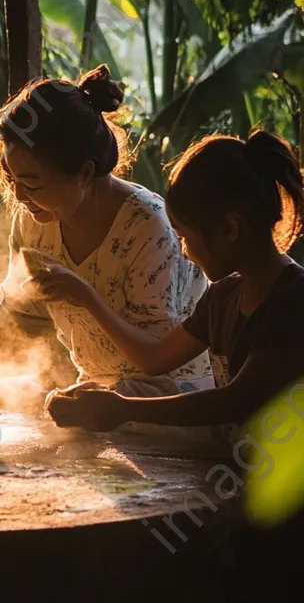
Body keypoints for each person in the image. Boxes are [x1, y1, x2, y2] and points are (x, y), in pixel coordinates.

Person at [0, 65, 211, 411]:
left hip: (169, 401)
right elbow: (15, 326)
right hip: (95, 399)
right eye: (11, 182)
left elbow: (155, 359)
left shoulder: (147, 226)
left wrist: (83, 295)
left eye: (32, 183)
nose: (20, 197)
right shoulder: (34, 223)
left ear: (84, 173)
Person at [46, 129, 304, 434]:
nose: (184, 250)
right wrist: (87, 299)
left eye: (184, 235)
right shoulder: (223, 297)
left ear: (229, 230)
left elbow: (236, 402)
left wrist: (121, 409)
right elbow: (154, 360)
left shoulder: (291, 300)